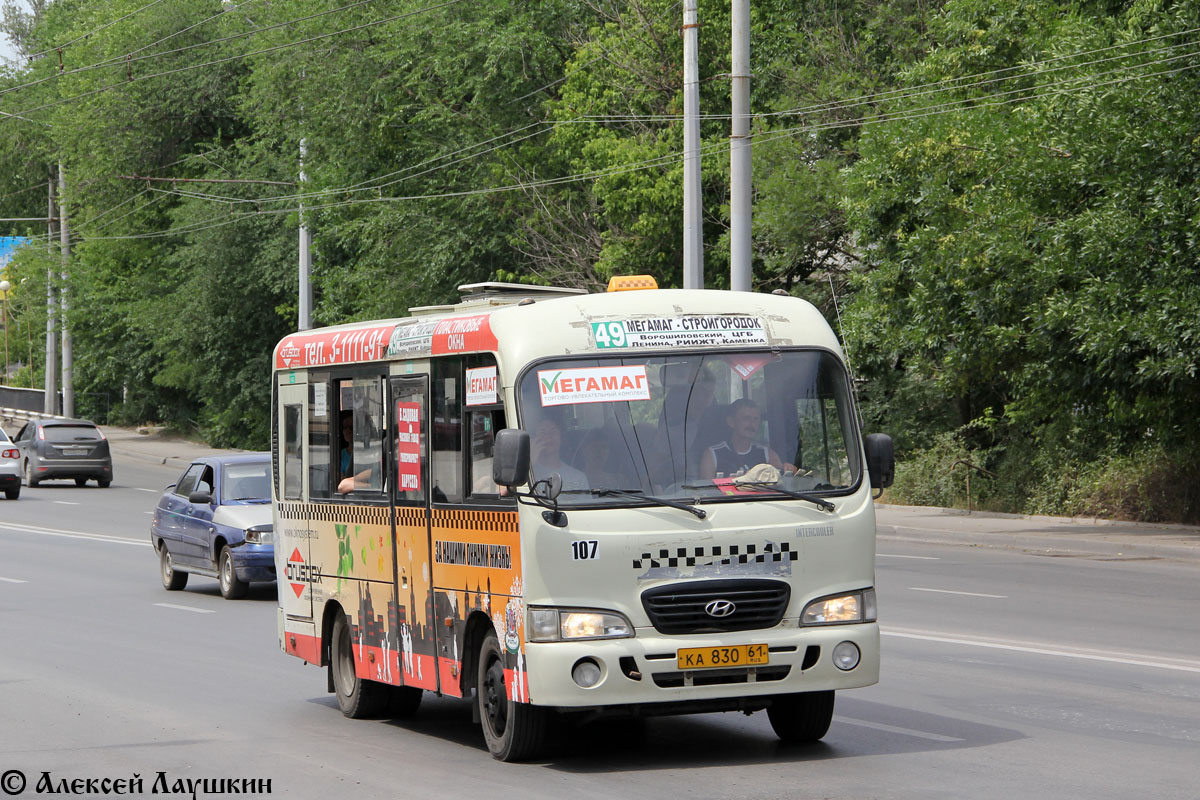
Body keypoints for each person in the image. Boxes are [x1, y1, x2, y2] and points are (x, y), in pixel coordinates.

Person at [698, 398, 789, 479]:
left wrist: (787, 468)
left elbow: (780, 476)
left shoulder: (767, 454)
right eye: (746, 418)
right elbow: (706, 492)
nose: (751, 424)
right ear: (731, 422)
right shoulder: (712, 455)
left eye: (755, 419)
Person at [529, 416, 588, 491]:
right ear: (534, 439)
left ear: (561, 437)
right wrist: (530, 463)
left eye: (553, 432)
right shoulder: (527, 474)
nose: (548, 437)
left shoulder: (578, 477)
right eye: (542, 432)